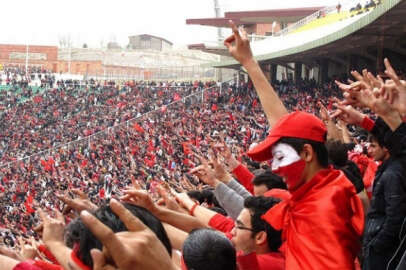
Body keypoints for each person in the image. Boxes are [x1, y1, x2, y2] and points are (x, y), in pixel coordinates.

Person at [224, 20, 364, 269]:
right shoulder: (318, 191)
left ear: (307, 153)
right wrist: (249, 64)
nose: (275, 169)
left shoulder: (324, 209)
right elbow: (284, 128)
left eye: (279, 158)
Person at [362, 134, 406, 270]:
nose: (370, 150)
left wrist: (377, 244)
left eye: (374, 146)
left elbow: (395, 217)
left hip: (382, 249)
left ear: (386, 148)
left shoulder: (391, 174)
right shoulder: (387, 169)